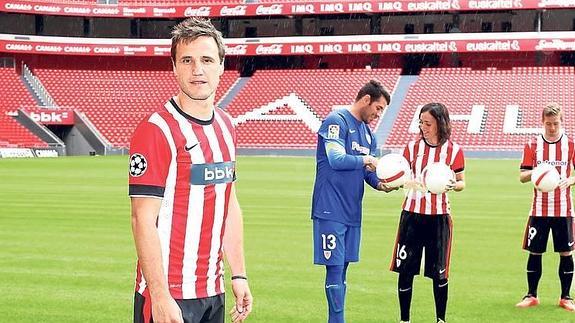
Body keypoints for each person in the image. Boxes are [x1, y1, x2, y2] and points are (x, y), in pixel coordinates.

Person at [128, 18, 252, 323]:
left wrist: (238, 274)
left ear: (222, 66)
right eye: (187, 60)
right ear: (174, 66)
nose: (198, 69)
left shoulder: (226, 126)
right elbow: (142, 218)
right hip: (169, 296)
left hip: (213, 291)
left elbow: (229, 203)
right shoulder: (156, 130)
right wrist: (159, 296)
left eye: (207, 60)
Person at [311, 79, 393, 323]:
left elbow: (368, 173)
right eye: (378, 108)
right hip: (330, 208)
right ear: (366, 99)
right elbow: (335, 158)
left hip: (352, 211)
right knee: (334, 269)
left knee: (343, 270)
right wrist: (366, 160)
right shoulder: (336, 120)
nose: (378, 114)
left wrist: (381, 184)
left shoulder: (369, 135)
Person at [390, 103, 465, 323]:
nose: (423, 127)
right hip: (411, 216)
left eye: (428, 123)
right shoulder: (411, 148)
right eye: (421, 122)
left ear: (440, 123)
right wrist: (407, 181)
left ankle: (440, 319)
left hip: (439, 218)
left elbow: (462, 183)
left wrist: (452, 185)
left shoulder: (454, 151)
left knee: (439, 273)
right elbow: (400, 177)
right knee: (406, 270)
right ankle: (405, 320)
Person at [515, 103, 575, 311]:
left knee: (566, 253)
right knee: (535, 252)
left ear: (562, 122)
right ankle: (531, 295)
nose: (551, 128)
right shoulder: (532, 145)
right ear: (542, 122)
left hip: (563, 209)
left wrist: (571, 180)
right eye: (548, 124)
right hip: (539, 210)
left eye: (555, 124)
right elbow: (522, 176)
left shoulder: (570, 144)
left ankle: (566, 297)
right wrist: (538, 174)